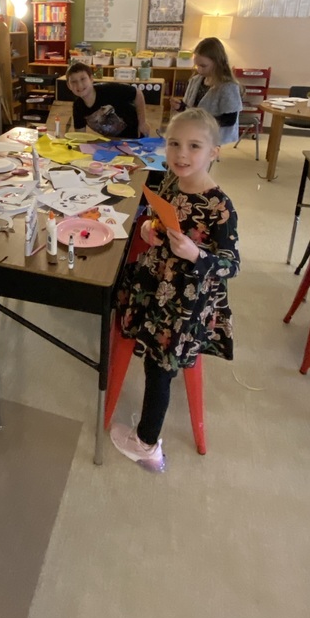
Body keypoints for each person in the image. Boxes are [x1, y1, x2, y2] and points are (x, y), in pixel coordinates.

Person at [111, 109, 240, 473]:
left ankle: (147, 445)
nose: (182, 154)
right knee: (155, 360)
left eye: (194, 146)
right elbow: (158, 219)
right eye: (174, 144)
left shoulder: (220, 206)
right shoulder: (171, 180)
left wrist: (197, 254)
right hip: (156, 289)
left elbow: (231, 264)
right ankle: (148, 435)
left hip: (183, 304)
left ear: (214, 151)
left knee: (159, 370)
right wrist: (148, 230)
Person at [170, 37, 242, 144]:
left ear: (217, 62)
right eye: (197, 65)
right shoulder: (196, 80)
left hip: (217, 141)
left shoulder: (228, 87)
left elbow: (229, 120)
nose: (199, 69)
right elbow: (191, 110)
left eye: (203, 66)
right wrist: (181, 107)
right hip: (196, 136)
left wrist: (200, 121)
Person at [66, 62, 151, 139]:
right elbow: (80, 136)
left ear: (91, 79)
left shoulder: (109, 89)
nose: (79, 85)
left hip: (135, 137)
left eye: (83, 79)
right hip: (111, 142)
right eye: (74, 81)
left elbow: (137, 93)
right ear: (69, 86)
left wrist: (142, 122)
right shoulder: (78, 106)